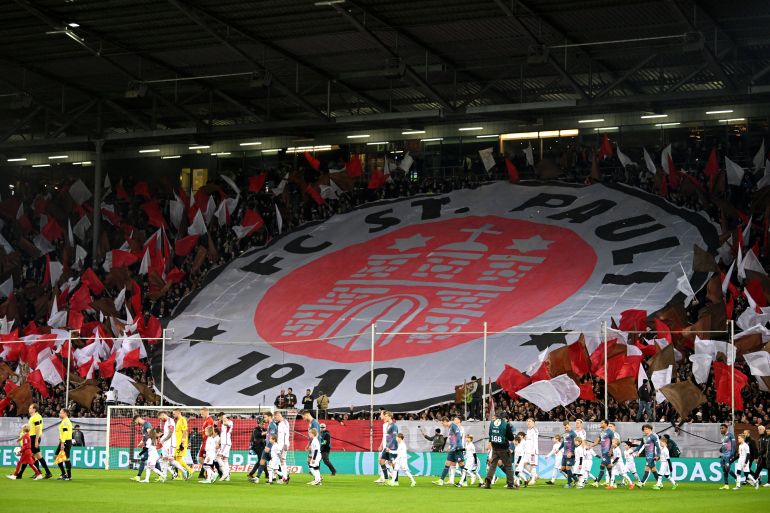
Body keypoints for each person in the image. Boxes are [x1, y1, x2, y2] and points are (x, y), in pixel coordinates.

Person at [482, 414, 514, 489]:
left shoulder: (492, 423)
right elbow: (511, 438)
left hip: (495, 448)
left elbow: (490, 435)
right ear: (504, 418)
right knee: (508, 466)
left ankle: (487, 483)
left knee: (492, 465)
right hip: (504, 448)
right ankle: (510, 484)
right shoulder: (506, 424)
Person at [434, 416, 464, 486]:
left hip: (457, 448)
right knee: (447, 463)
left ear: (445, 421)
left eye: (442, 423)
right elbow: (452, 438)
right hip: (452, 449)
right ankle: (441, 480)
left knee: (461, 465)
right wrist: (450, 446)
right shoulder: (450, 427)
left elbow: (458, 436)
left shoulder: (453, 426)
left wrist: (457, 446)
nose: (442, 425)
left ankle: (465, 480)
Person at [251, 412, 277, 483]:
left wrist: (269, 446)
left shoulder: (272, 425)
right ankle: (257, 478)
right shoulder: (270, 425)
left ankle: (282, 477)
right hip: (267, 446)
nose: (264, 419)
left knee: (274, 463)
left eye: (265, 417)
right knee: (262, 461)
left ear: (269, 417)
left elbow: (273, 437)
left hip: (271, 447)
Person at [28, 404, 52, 479]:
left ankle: (45, 472)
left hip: (34, 437)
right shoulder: (34, 417)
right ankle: (39, 472)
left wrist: (36, 441)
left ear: (34, 409)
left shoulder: (36, 417)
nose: (29, 409)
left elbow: (38, 429)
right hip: (33, 437)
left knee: (37, 456)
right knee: (35, 456)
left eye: (30, 408)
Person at [375, 411, 398, 484]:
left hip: (392, 447)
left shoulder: (394, 426)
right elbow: (386, 437)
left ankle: (396, 481)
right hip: (387, 447)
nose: (385, 417)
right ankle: (386, 479)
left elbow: (394, 437)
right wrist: (383, 445)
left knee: (393, 463)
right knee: (381, 461)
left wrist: (389, 446)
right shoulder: (387, 425)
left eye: (386, 416)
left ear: (390, 417)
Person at [590, 419, 614, 488]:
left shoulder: (610, 432)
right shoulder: (601, 432)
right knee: (609, 467)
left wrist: (611, 451)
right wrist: (590, 446)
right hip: (603, 452)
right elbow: (597, 441)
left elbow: (613, 442)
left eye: (602, 423)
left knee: (602, 465)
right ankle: (613, 483)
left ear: (606, 424)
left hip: (607, 452)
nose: (600, 424)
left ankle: (597, 482)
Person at [635, 424, 661, 488]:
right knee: (653, 470)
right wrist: (636, 451)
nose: (645, 430)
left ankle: (642, 482)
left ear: (650, 429)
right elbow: (641, 445)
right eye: (644, 429)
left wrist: (658, 455)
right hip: (648, 455)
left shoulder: (654, 436)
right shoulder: (644, 437)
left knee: (647, 468)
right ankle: (659, 483)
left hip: (653, 455)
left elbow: (658, 446)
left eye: (646, 429)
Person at [131, 415, 154, 482]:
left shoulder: (147, 424)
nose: (135, 423)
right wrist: (141, 442)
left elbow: (150, 434)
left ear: (138, 419)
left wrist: (149, 444)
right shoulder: (143, 426)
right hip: (148, 445)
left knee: (143, 459)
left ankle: (138, 476)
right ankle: (161, 475)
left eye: (135, 421)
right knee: (155, 461)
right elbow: (145, 436)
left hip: (149, 446)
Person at [172, 409, 192, 480]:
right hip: (177, 442)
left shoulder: (183, 420)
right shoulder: (178, 420)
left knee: (179, 458)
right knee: (176, 459)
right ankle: (180, 476)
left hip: (181, 443)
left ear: (178, 413)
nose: (173, 415)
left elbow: (184, 431)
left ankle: (190, 470)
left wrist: (182, 443)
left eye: (174, 414)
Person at [559, 420, 579, 489]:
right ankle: (575, 479)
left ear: (569, 425)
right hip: (564, 454)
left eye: (567, 427)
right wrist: (559, 449)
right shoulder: (564, 433)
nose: (566, 429)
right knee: (562, 469)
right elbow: (563, 443)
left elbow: (575, 444)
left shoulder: (573, 433)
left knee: (568, 468)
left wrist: (571, 452)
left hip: (570, 454)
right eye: (565, 428)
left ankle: (569, 483)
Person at [158, 412, 176, 481]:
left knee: (171, 460)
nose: (160, 420)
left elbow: (171, 432)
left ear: (163, 415)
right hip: (166, 444)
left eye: (160, 418)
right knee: (164, 459)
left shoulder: (170, 421)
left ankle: (183, 471)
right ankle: (164, 476)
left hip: (170, 444)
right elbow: (166, 433)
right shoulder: (166, 422)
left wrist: (164, 440)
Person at [718, 423, 737, 490]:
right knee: (724, 470)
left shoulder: (730, 435)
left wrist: (732, 455)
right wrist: (721, 449)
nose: (721, 429)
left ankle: (737, 479)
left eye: (722, 428)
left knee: (727, 469)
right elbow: (725, 445)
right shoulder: (723, 436)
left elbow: (734, 445)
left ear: (726, 428)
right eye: (720, 428)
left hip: (728, 455)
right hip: (723, 455)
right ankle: (726, 485)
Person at [56, 408, 73, 481]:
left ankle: (69, 476)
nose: (59, 414)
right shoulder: (63, 421)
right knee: (57, 457)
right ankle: (64, 473)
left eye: (61, 413)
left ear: (65, 413)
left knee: (66, 458)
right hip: (63, 441)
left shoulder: (66, 422)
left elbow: (65, 432)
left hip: (66, 441)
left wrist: (62, 443)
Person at [197, 407, 214, 479]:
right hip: (204, 441)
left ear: (206, 412)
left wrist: (207, 441)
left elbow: (210, 431)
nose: (201, 415)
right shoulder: (206, 420)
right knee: (201, 458)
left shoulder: (209, 420)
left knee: (204, 458)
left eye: (202, 413)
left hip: (207, 441)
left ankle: (211, 473)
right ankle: (205, 473)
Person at [274, 411, 291, 483]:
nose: (275, 419)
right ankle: (285, 477)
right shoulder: (282, 423)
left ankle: (281, 476)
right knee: (282, 461)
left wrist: (285, 444)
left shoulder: (284, 423)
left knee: (276, 460)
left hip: (282, 445)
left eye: (275, 417)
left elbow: (286, 435)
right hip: (281, 444)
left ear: (278, 415)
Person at [217, 412, 233, 482]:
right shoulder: (223, 424)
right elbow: (222, 434)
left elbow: (227, 424)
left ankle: (225, 473)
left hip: (226, 443)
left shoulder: (229, 422)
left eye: (219, 418)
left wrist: (224, 417)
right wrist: (219, 443)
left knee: (218, 457)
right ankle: (227, 477)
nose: (219, 420)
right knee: (225, 460)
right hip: (224, 443)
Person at [523, 417, 539, 485]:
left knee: (533, 465)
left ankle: (533, 479)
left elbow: (535, 442)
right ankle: (534, 475)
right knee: (523, 464)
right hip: (526, 451)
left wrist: (534, 451)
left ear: (533, 423)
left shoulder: (534, 430)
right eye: (527, 421)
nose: (528, 422)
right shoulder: (528, 430)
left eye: (530, 421)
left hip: (532, 451)